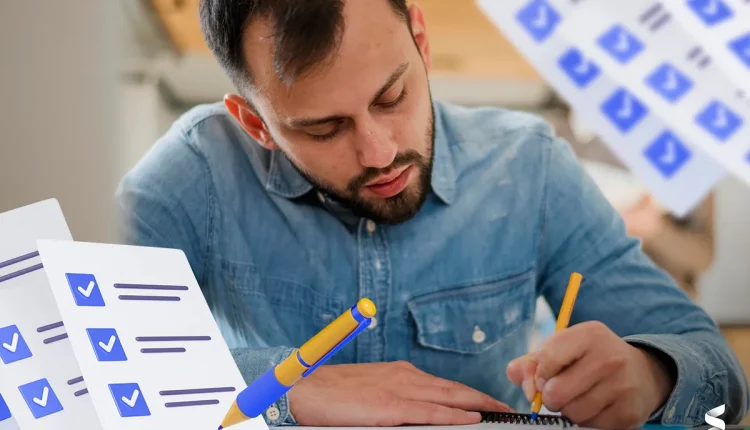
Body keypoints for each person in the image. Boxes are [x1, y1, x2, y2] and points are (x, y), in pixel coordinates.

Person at [116, 1, 749, 428]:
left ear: (420, 39)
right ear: (256, 124)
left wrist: (652, 373)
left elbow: (719, 375)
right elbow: (49, 359)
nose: (379, 152)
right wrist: (285, 392)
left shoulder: (528, 167)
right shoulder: (195, 172)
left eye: (392, 97)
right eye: (324, 128)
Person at [540, 95, 716, 301]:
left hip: (657, 305)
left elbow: (702, 258)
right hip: (571, 299)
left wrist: (653, 228)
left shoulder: (688, 160)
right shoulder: (554, 137)